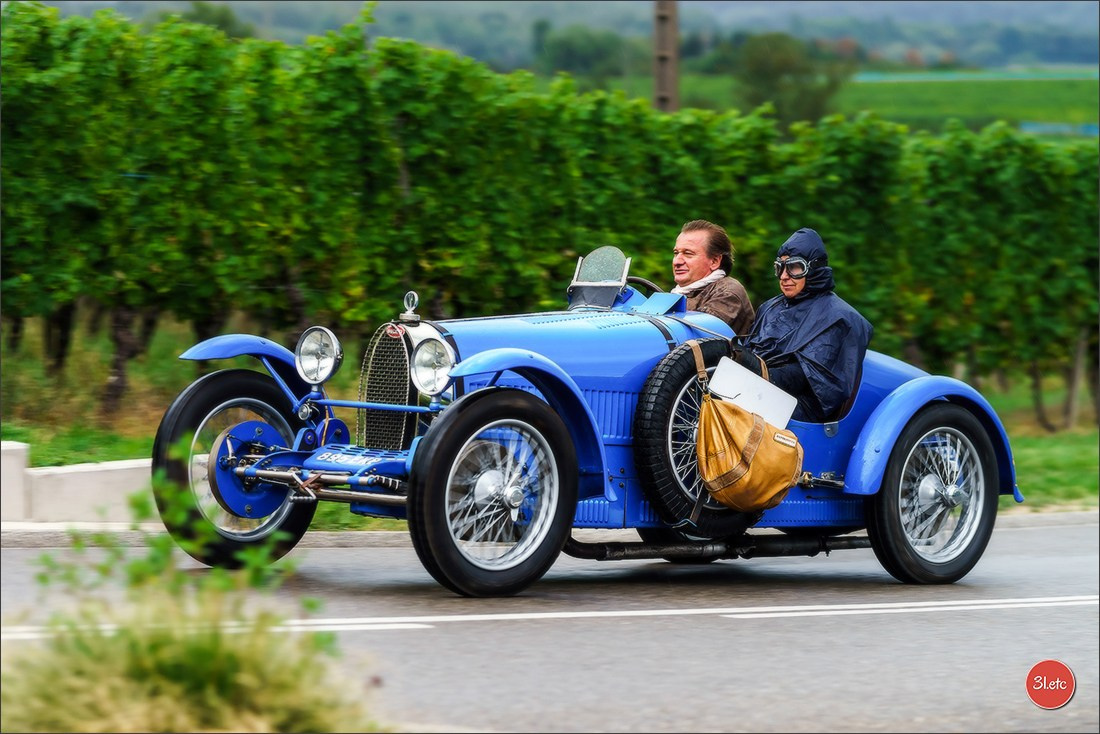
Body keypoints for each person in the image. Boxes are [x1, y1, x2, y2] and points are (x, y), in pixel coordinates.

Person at [732, 227, 872, 423]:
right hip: (759, 389)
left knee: (728, 403)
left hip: (801, 407)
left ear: (813, 269)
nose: (784, 276)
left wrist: (756, 374)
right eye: (780, 268)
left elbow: (811, 379)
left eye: (794, 267)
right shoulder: (769, 307)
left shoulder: (841, 317)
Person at [671, 219, 755, 336]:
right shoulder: (675, 295)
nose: (677, 261)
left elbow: (692, 336)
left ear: (714, 261)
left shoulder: (727, 292)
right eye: (676, 253)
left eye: (688, 253)